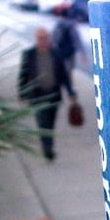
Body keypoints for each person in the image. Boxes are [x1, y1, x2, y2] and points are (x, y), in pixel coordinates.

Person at [18, 27, 77, 161]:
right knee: (42, 122)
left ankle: (48, 144)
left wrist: (70, 92)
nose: (43, 41)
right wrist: (22, 92)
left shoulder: (56, 54)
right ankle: (47, 148)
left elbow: (64, 76)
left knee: (50, 123)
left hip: (53, 95)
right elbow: (23, 75)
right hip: (37, 96)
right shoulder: (29, 54)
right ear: (36, 39)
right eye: (40, 38)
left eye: (45, 38)